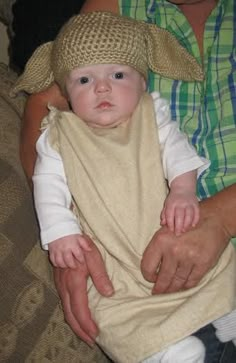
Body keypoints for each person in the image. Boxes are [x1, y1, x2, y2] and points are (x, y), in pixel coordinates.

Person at [17, 1, 236, 362]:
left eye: (118, 75)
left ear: (142, 80)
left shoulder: (152, 113)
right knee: (109, 305)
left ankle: (225, 318)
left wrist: (187, 193)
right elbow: (47, 179)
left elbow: (178, 154)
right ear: (68, 93)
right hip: (114, 252)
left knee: (222, 277)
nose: (102, 88)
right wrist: (61, 232)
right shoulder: (60, 133)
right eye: (85, 80)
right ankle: (162, 351)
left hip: (185, 226)